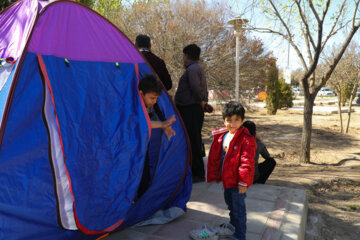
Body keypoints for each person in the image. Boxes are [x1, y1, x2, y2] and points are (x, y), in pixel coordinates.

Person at [190, 102, 256, 240]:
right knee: (231, 206)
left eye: (236, 120)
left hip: (238, 182)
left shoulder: (246, 140)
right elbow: (217, 157)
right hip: (227, 180)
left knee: (239, 211)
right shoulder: (223, 136)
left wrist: (243, 183)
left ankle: (240, 235)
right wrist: (216, 173)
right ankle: (232, 227)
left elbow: (246, 163)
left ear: (242, 121)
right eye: (229, 120)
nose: (232, 124)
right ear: (224, 120)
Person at [137, 74, 176, 199]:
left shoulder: (150, 106)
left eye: (156, 99)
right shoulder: (135, 105)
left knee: (145, 171)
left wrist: (165, 125)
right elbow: (142, 122)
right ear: (141, 93)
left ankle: (142, 197)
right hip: (134, 148)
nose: (153, 102)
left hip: (144, 147)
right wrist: (162, 124)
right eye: (152, 98)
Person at [175, 44, 208, 183]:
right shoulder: (195, 68)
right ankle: (194, 170)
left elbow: (195, 87)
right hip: (191, 108)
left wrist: (200, 101)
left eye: (183, 55)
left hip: (191, 109)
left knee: (193, 140)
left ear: (187, 56)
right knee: (193, 138)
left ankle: (198, 173)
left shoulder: (193, 69)